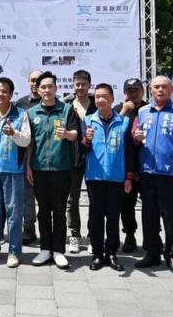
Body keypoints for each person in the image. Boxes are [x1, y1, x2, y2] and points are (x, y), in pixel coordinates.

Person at [132, 75, 173, 275]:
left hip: (170, 174)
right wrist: (136, 137)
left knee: (171, 217)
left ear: (171, 90)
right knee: (148, 217)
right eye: (156, 87)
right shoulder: (142, 112)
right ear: (151, 90)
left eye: (164, 87)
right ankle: (151, 253)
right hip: (147, 173)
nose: (160, 90)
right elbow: (134, 138)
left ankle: (172, 256)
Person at [26, 71, 80, 269]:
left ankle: (58, 250)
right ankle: (44, 249)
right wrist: (28, 168)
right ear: (38, 90)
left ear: (56, 88)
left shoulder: (67, 110)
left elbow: (76, 134)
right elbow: (30, 143)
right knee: (43, 210)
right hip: (39, 169)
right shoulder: (32, 113)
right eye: (43, 87)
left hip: (61, 168)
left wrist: (67, 134)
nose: (47, 90)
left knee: (59, 210)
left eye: (50, 86)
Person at [82, 83, 133, 272]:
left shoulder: (124, 122)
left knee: (113, 217)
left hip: (116, 177)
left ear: (112, 99)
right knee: (96, 217)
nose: (101, 100)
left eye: (104, 96)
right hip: (95, 177)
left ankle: (112, 253)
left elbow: (129, 152)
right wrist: (86, 140)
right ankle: (97, 254)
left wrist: (128, 176)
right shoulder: (88, 121)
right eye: (97, 97)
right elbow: (82, 149)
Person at [0, 77, 30, 268]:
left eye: (4, 91)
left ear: (11, 94)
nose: (0, 94)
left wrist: (14, 134)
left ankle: (14, 251)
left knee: (14, 213)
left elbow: (26, 141)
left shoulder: (20, 114)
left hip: (13, 171)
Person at [63, 69, 96, 253]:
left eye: (84, 84)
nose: (81, 87)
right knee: (72, 200)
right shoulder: (66, 105)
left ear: (89, 85)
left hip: (94, 159)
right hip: (72, 158)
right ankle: (74, 235)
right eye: (77, 84)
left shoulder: (96, 105)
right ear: (73, 85)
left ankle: (92, 236)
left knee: (94, 199)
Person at [113, 78, 147, 253]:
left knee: (150, 205)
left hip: (148, 165)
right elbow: (112, 131)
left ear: (142, 90)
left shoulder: (150, 109)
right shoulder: (119, 110)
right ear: (125, 92)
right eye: (130, 90)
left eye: (136, 89)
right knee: (127, 205)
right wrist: (124, 112)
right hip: (126, 166)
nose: (133, 93)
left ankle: (152, 236)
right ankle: (129, 235)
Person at [17, 69, 42, 245]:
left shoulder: (54, 103)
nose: (35, 83)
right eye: (32, 80)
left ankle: (48, 230)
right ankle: (29, 227)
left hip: (47, 158)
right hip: (26, 157)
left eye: (39, 80)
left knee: (48, 198)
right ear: (28, 82)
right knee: (27, 196)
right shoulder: (20, 104)